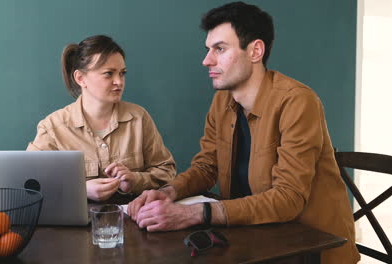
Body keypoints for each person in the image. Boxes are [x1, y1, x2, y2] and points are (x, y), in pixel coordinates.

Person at [128, 2, 359, 263]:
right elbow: (206, 167)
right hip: (253, 238)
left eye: (220, 49)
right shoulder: (221, 102)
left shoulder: (298, 102)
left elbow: (287, 199)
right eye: (208, 50)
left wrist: (194, 214)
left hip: (308, 248)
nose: (207, 60)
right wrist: (170, 191)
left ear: (255, 51)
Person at [27, 35, 176, 203]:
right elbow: (31, 183)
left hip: (134, 221)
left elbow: (166, 170)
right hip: (77, 226)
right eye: (108, 74)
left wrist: (135, 180)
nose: (119, 81)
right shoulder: (52, 128)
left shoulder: (139, 118)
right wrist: (81, 190)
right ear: (80, 78)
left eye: (122, 73)